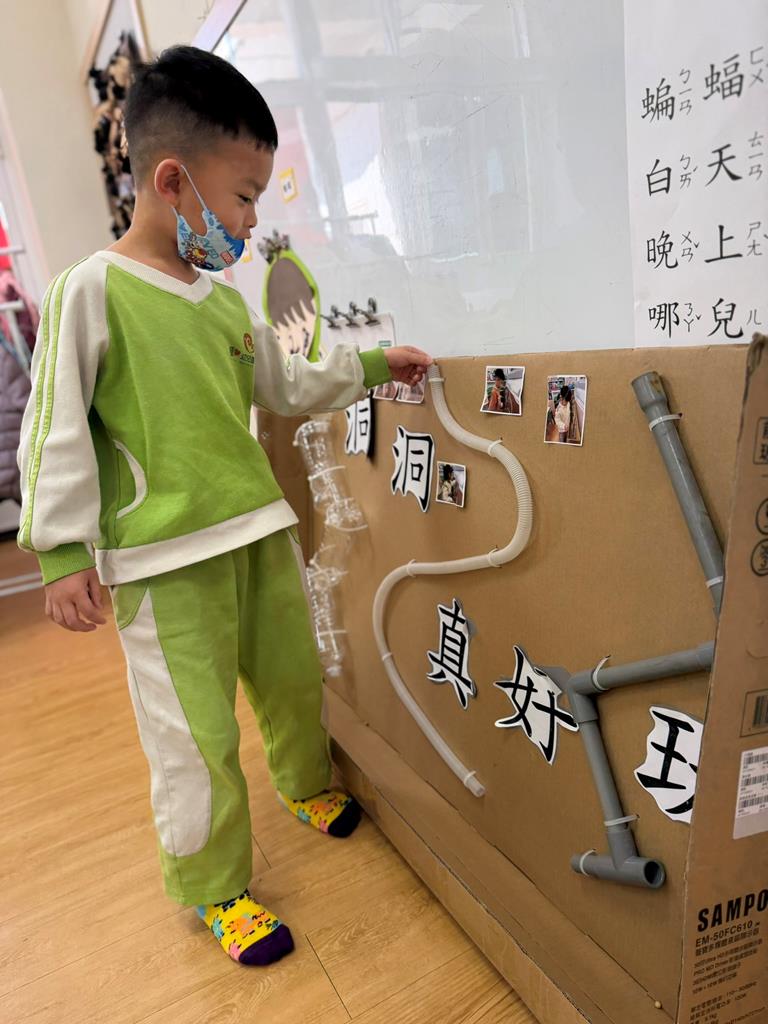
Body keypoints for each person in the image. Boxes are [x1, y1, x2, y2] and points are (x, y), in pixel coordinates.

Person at [16, 46, 432, 968]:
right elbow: (54, 427)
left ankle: (304, 782)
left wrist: (371, 364)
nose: (249, 220)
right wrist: (61, 553)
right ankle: (212, 885)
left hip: (257, 531)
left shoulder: (222, 300)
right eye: (243, 196)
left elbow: (285, 383)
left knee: (291, 679)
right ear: (172, 180)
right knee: (193, 733)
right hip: (163, 565)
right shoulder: (90, 290)